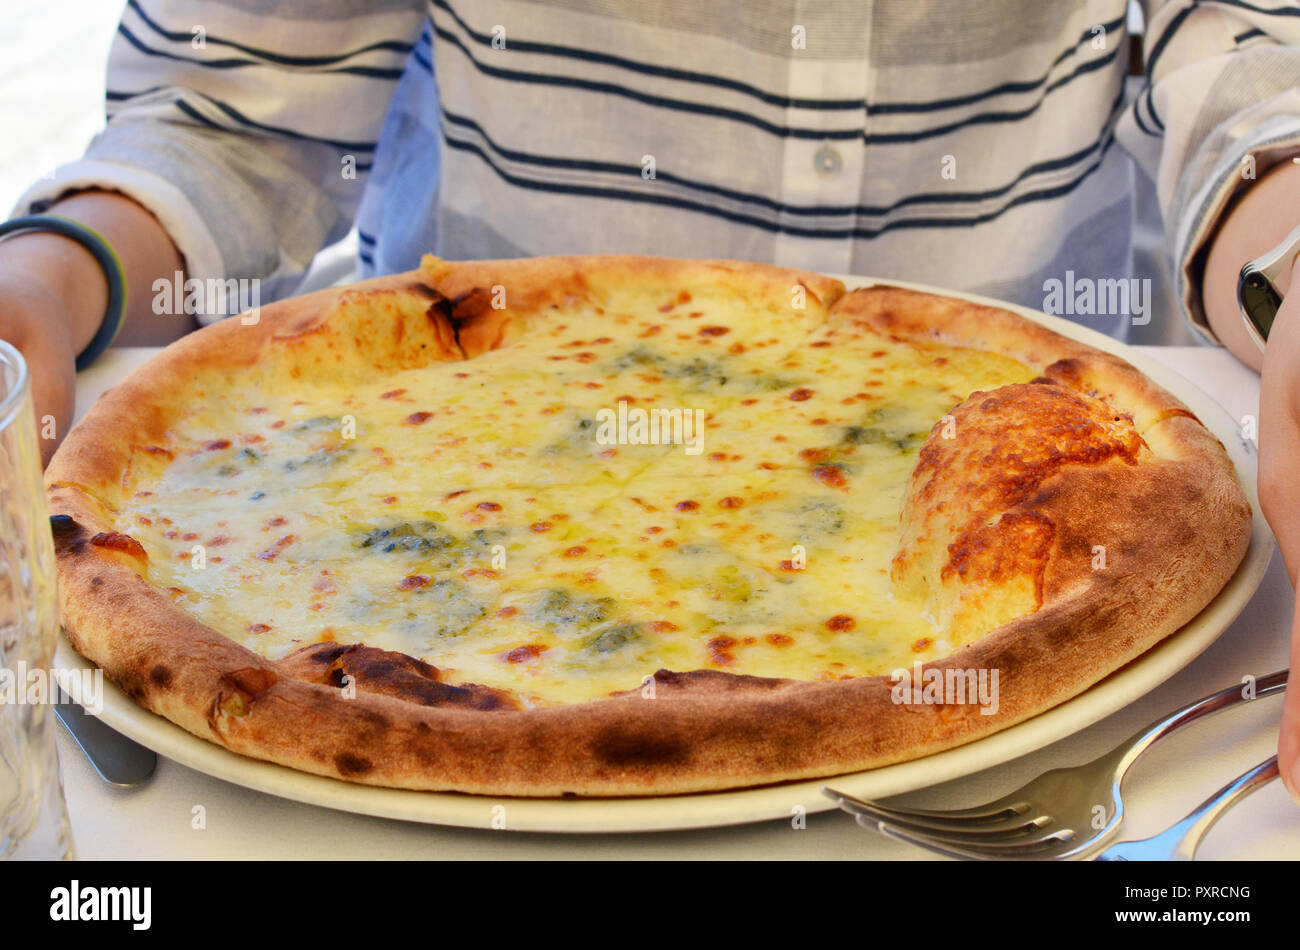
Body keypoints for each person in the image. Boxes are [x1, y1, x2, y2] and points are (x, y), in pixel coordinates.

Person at [2, 1, 1299, 801]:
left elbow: (1249, 72)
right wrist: (43, 290)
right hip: (381, 524)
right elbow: (232, 110)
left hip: (1033, 524)